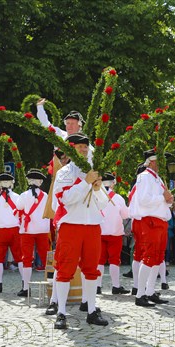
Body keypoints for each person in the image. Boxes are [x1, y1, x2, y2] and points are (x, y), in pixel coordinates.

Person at [52, 133, 109, 329]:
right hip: (71, 225)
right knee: (65, 269)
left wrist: (98, 187)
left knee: (92, 269)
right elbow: (65, 199)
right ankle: (61, 312)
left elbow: (103, 203)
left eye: (86, 146)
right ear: (71, 149)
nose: (84, 149)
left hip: (92, 225)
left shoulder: (93, 171)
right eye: (79, 146)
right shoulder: (65, 173)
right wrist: (85, 182)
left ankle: (91, 310)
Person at [130, 149, 173, 308]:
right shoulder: (144, 177)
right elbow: (143, 200)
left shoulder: (157, 178)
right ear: (152, 161)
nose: (164, 163)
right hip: (150, 221)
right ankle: (140, 294)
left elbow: (163, 200)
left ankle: (149, 291)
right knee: (149, 257)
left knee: (157, 257)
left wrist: (168, 200)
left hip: (159, 220)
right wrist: (163, 198)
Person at [16, 168, 50, 297]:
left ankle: (26, 288)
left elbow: (19, 208)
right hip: (42, 229)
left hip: (27, 229)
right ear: (40, 182)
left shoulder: (23, 195)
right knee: (46, 258)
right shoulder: (46, 196)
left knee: (27, 258)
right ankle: (50, 285)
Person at [95, 173, 130, 295]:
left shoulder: (95, 196)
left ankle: (97, 286)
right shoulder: (118, 198)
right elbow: (126, 215)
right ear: (113, 183)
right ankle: (115, 286)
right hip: (115, 233)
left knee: (99, 260)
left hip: (99, 232)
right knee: (114, 260)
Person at [0, 173, 23, 294]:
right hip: (14, 229)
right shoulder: (18, 196)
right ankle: (24, 283)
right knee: (20, 257)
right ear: (12, 183)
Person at [36, 98, 94, 163]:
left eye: (72, 123)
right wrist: (40, 106)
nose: (69, 126)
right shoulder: (60, 134)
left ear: (79, 126)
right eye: (68, 123)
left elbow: (93, 158)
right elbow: (45, 123)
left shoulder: (84, 142)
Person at [126, 163, 150, 296]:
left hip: (137, 219)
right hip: (142, 219)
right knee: (144, 254)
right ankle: (141, 287)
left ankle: (137, 286)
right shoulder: (141, 184)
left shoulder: (135, 186)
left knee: (138, 254)